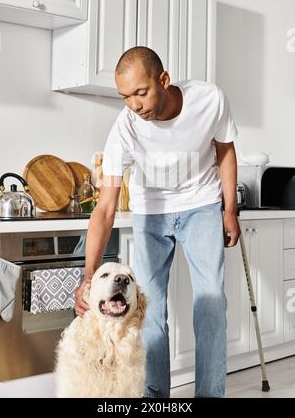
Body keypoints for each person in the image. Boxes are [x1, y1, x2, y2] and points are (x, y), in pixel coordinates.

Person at [75, 46, 241, 398]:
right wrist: (88, 278)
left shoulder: (209, 99)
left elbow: (225, 150)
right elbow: (105, 208)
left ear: (163, 80)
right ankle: (154, 399)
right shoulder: (125, 127)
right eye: (125, 97)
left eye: (141, 92)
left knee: (210, 302)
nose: (134, 105)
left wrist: (230, 209)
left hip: (202, 204)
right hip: (150, 210)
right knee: (146, 307)